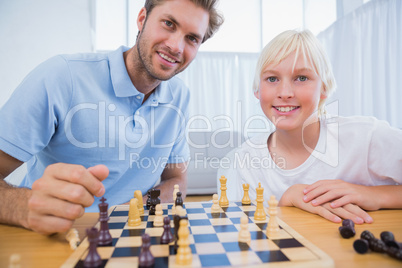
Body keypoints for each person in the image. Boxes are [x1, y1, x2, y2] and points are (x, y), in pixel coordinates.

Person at [0, 0, 224, 235]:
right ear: (142, 19)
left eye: (192, 38)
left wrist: (134, 209)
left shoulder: (179, 96)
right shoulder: (62, 76)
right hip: (51, 238)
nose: (176, 46)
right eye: (168, 24)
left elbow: (176, 180)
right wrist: (23, 208)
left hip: (132, 237)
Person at [229, 29, 402, 224]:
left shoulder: (367, 137)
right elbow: (252, 237)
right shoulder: (247, 160)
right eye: (272, 79)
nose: (285, 93)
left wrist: (376, 196)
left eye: (301, 78)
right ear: (257, 91)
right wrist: (286, 201)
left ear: (324, 88)